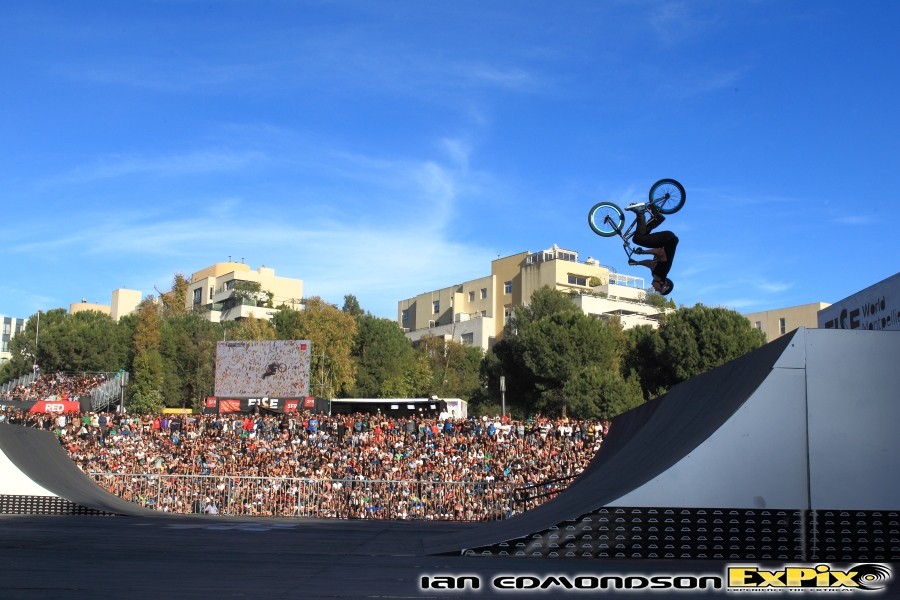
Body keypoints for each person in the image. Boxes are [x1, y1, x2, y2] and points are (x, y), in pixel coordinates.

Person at [624, 202, 678, 295]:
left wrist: (637, 263)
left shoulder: (655, 274)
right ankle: (640, 211)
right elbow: (659, 252)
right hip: (668, 239)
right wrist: (642, 252)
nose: (655, 289)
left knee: (642, 234)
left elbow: (649, 264)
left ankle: (658, 219)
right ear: (663, 285)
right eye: (658, 290)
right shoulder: (662, 272)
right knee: (638, 239)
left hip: (665, 240)